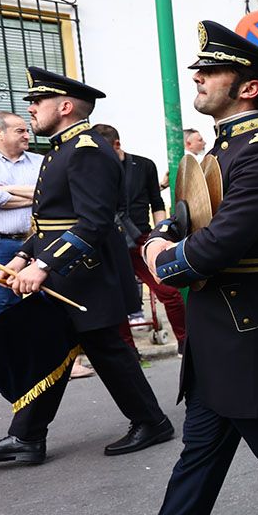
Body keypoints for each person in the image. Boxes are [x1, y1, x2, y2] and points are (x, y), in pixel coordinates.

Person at [69, 20, 258, 515]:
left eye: (212, 71)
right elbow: (195, 216)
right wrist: (166, 230)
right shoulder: (225, 148)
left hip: (251, 326)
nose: (200, 76)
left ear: (249, 87)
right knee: (199, 453)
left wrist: (164, 253)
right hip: (222, 328)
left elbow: (218, 245)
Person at [0, 68, 173, 466]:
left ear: (66, 106)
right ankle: (27, 436)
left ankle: (151, 421)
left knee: (106, 349)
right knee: (55, 349)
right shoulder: (62, 148)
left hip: (87, 272)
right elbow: (49, 220)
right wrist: (24, 256)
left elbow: (93, 220)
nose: (32, 109)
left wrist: (42, 264)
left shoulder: (86, 148)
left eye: (37, 102)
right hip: (67, 270)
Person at [98, 124, 187, 354]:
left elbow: (156, 202)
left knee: (169, 291)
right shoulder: (95, 167)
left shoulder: (144, 165)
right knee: (117, 300)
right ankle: (129, 352)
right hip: (109, 241)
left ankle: (185, 343)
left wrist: (160, 237)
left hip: (142, 239)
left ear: (116, 144)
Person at [0, 111, 42, 315]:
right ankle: (7, 347)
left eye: (27, 130)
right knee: (7, 301)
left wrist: (6, 189)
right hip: (1, 243)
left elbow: (51, 194)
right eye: (20, 131)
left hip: (41, 240)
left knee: (49, 297)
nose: (27, 135)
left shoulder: (40, 161)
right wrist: (35, 195)